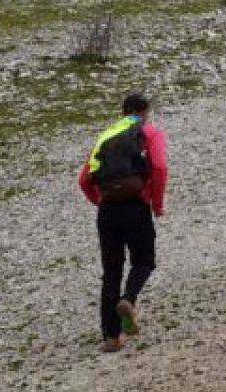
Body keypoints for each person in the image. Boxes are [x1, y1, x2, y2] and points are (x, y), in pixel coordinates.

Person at [78, 92, 168, 353]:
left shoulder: (106, 136)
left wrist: (99, 201)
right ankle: (128, 299)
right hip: (136, 206)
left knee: (111, 271)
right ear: (144, 113)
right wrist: (157, 203)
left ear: (122, 112)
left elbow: (84, 179)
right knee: (144, 260)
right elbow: (160, 167)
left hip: (108, 210)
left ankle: (111, 336)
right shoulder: (149, 132)